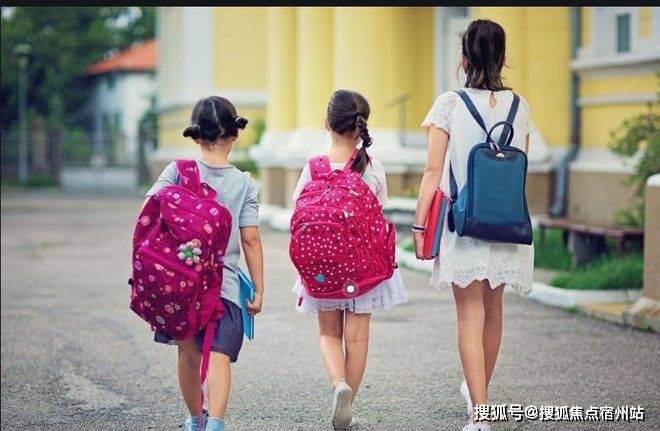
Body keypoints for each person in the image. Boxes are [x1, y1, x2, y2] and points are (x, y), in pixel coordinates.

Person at [414, 19, 534, 431]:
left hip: (463, 223)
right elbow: (519, 168)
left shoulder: (450, 104)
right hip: (507, 221)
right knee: (493, 311)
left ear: (464, 58)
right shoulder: (520, 106)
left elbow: (433, 172)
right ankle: (479, 397)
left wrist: (419, 226)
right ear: (503, 58)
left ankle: (480, 414)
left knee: (469, 314)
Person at [144, 96, 265, 431]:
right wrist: (258, 289)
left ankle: (196, 420)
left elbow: (150, 209)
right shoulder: (244, 184)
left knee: (187, 353)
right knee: (219, 355)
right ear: (235, 134)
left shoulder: (177, 172)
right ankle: (216, 424)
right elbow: (250, 239)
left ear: (196, 135)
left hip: (181, 283)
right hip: (224, 287)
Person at [291, 90, 407, 430]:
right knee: (357, 339)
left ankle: (338, 383)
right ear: (361, 126)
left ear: (327, 123)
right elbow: (378, 212)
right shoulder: (372, 167)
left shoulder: (313, 167)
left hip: (322, 266)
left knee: (329, 334)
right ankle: (349, 406)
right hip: (362, 269)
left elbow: (298, 210)